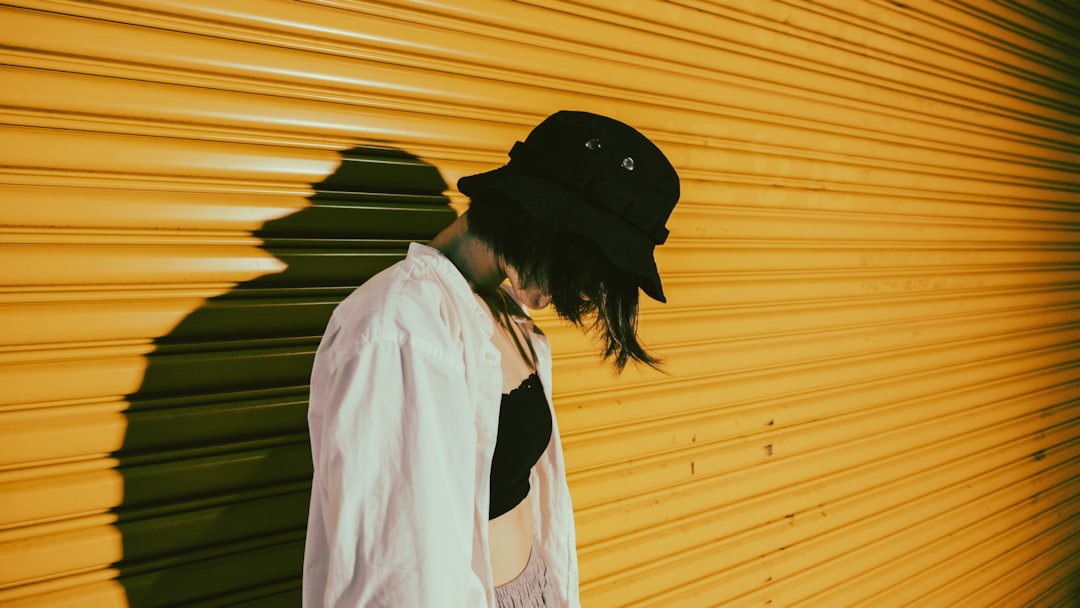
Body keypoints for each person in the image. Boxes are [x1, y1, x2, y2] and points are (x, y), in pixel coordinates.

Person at [302, 110, 681, 607]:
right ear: (542, 214)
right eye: (587, 266)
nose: (586, 291)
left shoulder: (499, 310)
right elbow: (396, 579)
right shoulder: (399, 332)